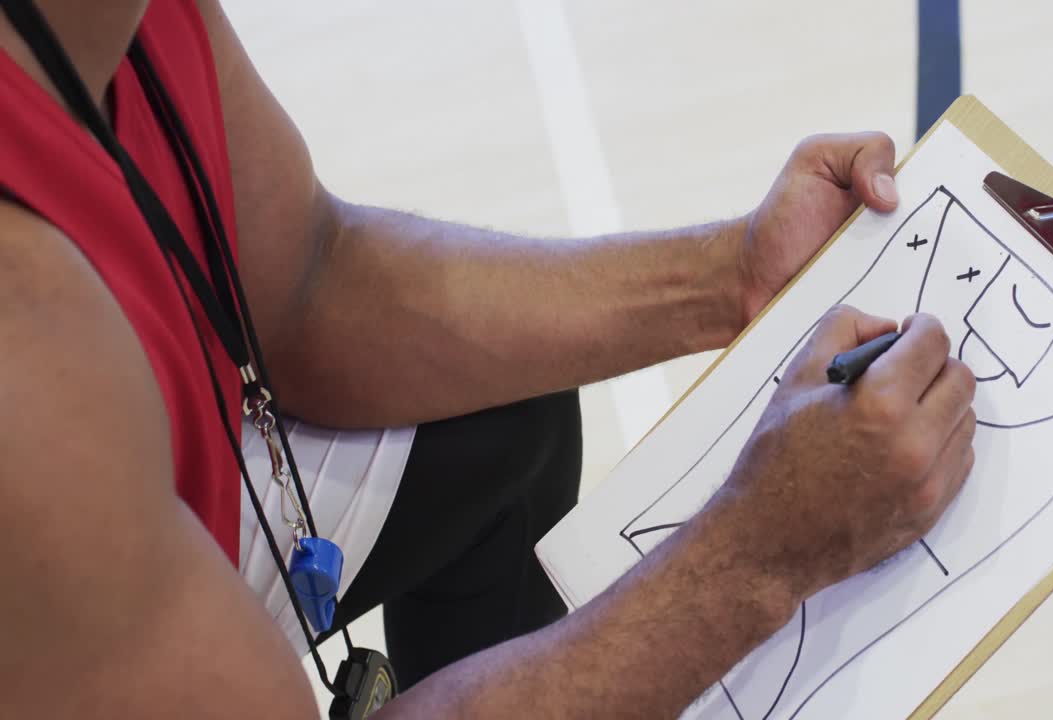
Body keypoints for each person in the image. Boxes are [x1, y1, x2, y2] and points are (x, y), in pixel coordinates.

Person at [0, 0, 977, 717]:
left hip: (117, 528)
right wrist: (758, 556)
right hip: (75, 578)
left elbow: (306, 278)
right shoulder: (22, 349)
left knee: (498, 427)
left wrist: (731, 277)